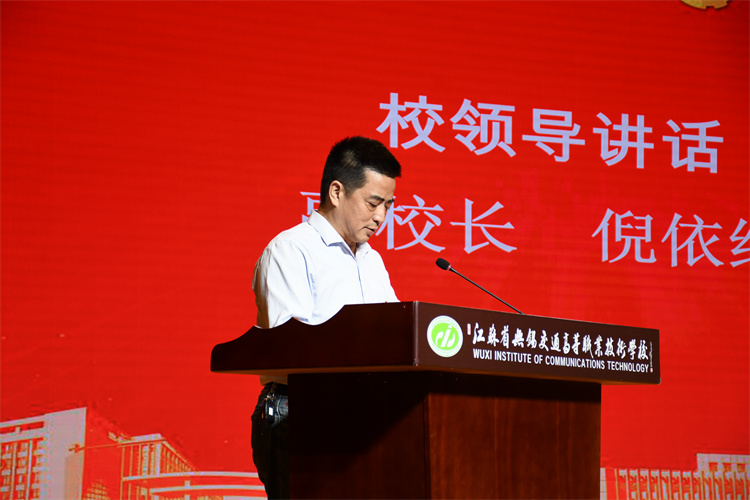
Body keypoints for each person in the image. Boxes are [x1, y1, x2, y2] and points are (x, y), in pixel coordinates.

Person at [250, 136, 402, 499]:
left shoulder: (372, 261)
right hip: (299, 412)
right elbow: (292, 345)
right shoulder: (291, 250)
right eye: (373, 203)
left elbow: (397, 332)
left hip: (364, 415)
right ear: (336, 192)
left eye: (388, 206)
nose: (381, 217)